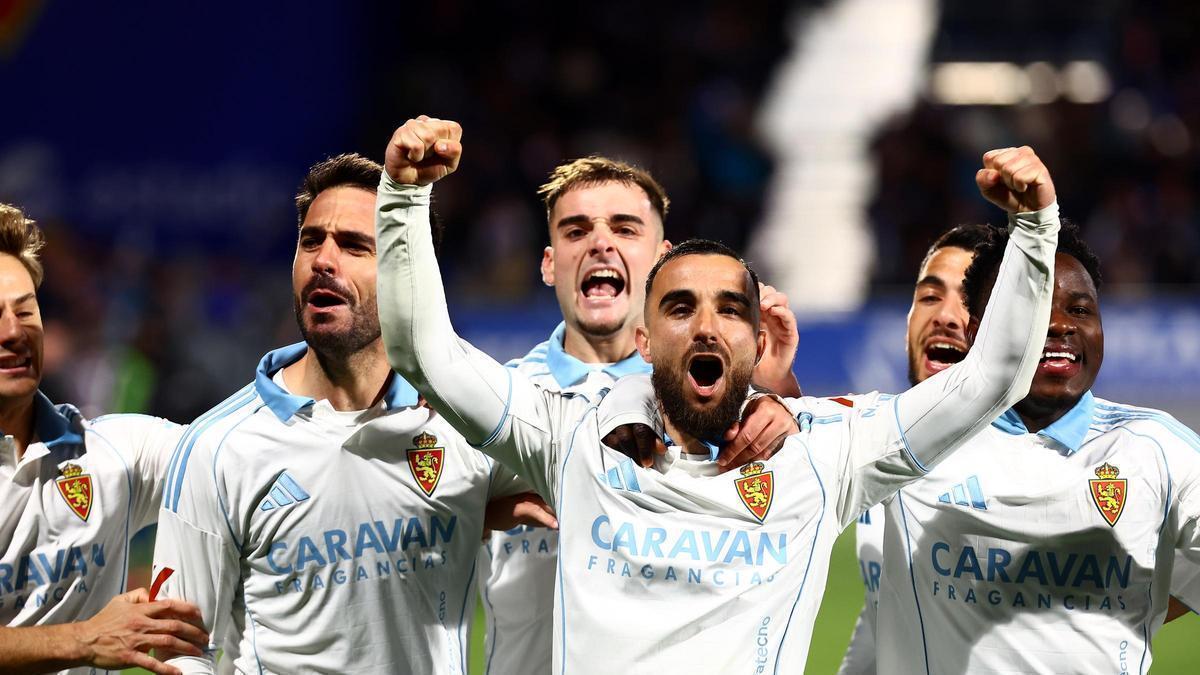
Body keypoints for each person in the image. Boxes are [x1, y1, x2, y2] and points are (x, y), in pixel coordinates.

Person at [374, 116, 1059, 671]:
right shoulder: (571, 433)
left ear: (759, 339)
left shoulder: (820, 451)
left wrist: (1035, 230)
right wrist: (404, 200)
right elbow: (421, 349)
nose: (706, 324)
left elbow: (991, 378)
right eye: (681, 308)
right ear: (645, 339)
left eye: (730, 309)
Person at [150, 154, 530, 674]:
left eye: (354, 245)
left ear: (410, 273)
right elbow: (180, 651)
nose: (323, 260)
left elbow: (578, 459)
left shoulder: (460, 423)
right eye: (311, 241)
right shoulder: (217, 446)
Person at [480, 156, 801, 675]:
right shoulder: (500, 400)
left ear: (661, 262)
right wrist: (491, 508)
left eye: (625, 228)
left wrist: (782, 394)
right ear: (548, 263)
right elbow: (419, 516)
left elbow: (793, 509)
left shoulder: (712, 393)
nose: (600, 244)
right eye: (575, 230)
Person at [872, 220, 1200, 674]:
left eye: (1081, 309)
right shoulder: (913, 435)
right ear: (976, 331)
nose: (1061, 323)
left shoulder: (1158, 450)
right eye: (1033, 306)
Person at [0, 203, 208, 675]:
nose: (13, 331)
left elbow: (241, 454)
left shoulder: (115, 452)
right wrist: (84, 639)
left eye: (26, 310)